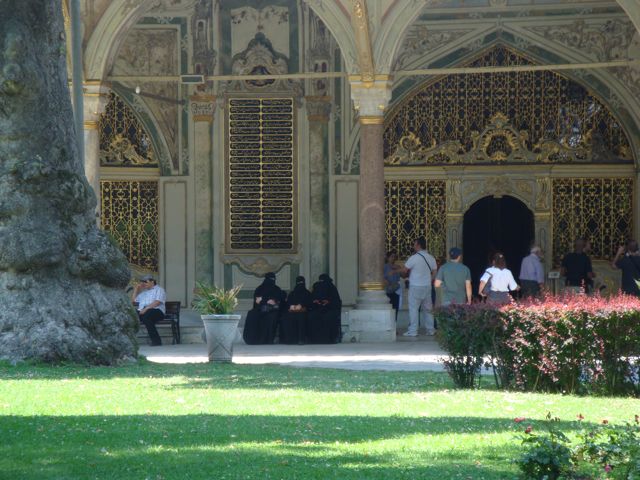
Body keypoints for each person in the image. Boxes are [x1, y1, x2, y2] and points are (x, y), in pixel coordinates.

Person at [401, 236, 437, 337]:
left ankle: (413, 331)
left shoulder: (414, 258)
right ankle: (430, 330)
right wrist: (430, 280)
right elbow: (434, 272)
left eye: (414, 244)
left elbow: (404, 270)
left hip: (415, 286)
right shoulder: (431, 257)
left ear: (418, 245)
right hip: (427, 286)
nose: (413, 246)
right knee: (428, 309)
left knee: (413, 309)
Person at [242, 272, 285, 345]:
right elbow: (257, 301)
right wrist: (267, 300)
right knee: (252, 314)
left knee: (271, 317)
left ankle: (268, 340)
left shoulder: (277, 289)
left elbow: (280, 300)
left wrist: (265, 299)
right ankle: (252, 339)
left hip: (273, 311)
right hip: (260, 310)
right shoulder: (259, 289)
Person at [132, 274, 166, 346]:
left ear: (152, 281)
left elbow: (157, 302)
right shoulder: (143, 293)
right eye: (142, 282)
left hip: (157, 311)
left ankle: (156, 341)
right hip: (143, 311)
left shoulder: (159, 290)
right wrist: (136, 290)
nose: (143, 284)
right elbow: (133, 302)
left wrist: (145, 309)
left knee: (147, 316)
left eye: (145, 282)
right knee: (130, 315)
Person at [307, 274, 342, 344]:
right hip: (318, 309)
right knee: (312, 316)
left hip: (330, 309)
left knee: (329, 317)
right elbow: (311, 300)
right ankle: (314, 339)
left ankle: (331, 338)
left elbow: (336, 302)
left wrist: (328, 302)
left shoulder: (332, 288)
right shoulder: (316, 287)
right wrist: (315, 301)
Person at [280, 276, 312, 344]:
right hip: (294, 312)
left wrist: (301, 305)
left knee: (300, 318)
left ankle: (298, 339)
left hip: (303, 312)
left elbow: (310, 304)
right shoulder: (296, 293)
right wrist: (293, 307)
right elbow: (288, 304)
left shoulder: (303, 293)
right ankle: (292, 340)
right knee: (287, 318)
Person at [384, 252, 402, 319]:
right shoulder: (384, 267)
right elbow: (382, 278)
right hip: (387, 291)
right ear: (388, 258)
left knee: (395, 309)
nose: (393, 258)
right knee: (388, 310)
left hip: (396, 291)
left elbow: (403, 275)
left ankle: (394, 325)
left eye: (394, 257)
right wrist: (387, 282)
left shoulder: (397, 267)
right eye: (391, 256)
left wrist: (400, 269)